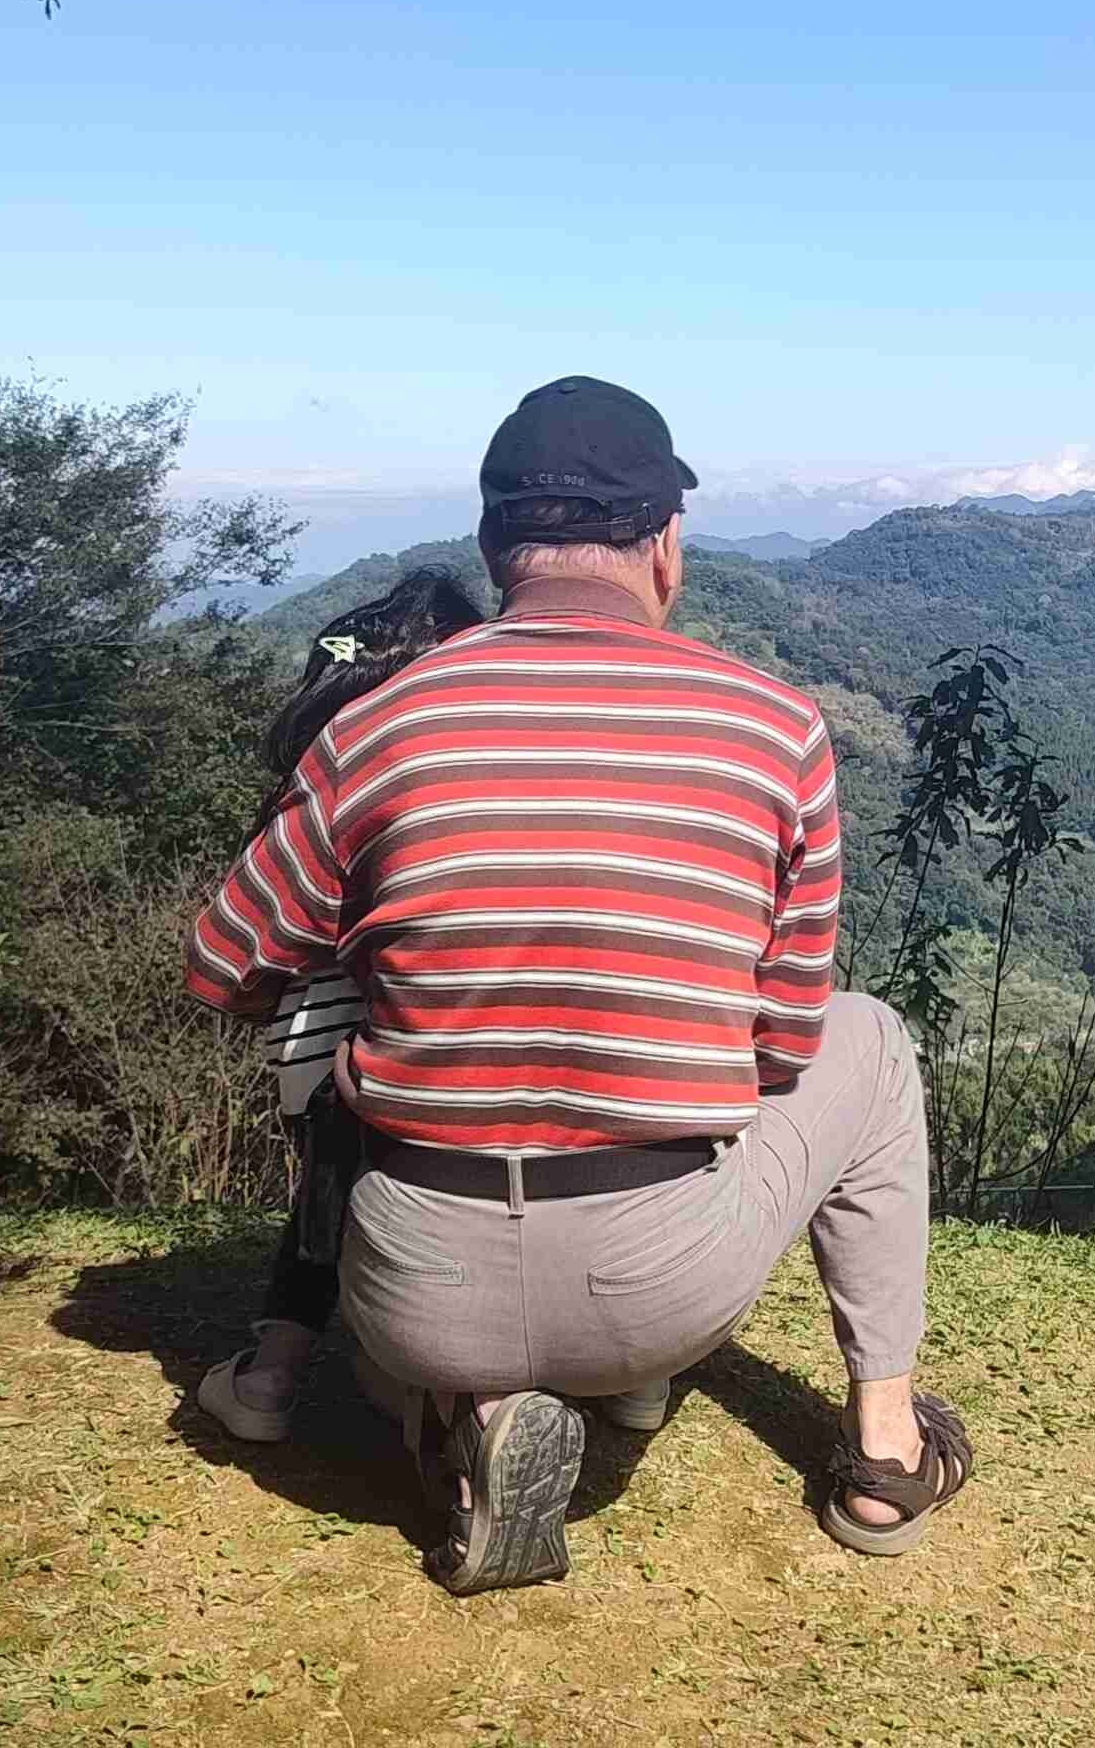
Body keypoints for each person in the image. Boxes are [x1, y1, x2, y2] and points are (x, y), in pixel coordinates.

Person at [183, 375, 971, 1594]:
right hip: (661, 1285)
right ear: (666, 545)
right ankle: (883, 1455)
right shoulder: (775, 728)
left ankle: (475, 1412)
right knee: (868, 1035)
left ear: (494, 543)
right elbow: (781, 1048)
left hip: (416, 1283)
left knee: (426, 1260)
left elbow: (225, 965)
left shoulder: (378, 725)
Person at [192, 570, 484, 1446]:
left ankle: (273, 1372)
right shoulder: (466, 765)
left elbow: (233, 956)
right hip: (439, 1063)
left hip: (321, 1067)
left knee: (333, 1181)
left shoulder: (330, 778)